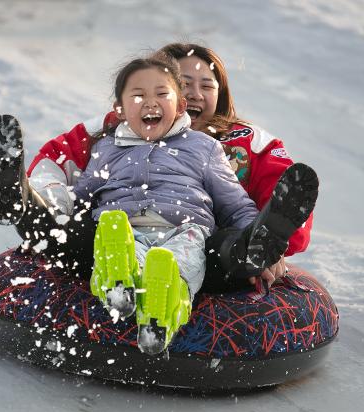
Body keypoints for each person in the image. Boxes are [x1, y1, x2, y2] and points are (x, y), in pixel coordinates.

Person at [0, 43, 313, 292]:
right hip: (117, 232)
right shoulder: (112, 136)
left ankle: (252, 248)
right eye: (184, 83)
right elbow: (62, 168)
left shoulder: (238, 142)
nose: (195, 94)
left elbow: (254, 198)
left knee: (225, 246)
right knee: (64, 232)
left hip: (193, 238)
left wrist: (268, 242)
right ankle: (20, 201)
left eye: (207, 86)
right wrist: (53, 207)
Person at [65, 54, 316, 354]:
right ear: (118, 109)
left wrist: (255, 232)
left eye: (162, 94)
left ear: (179, 104)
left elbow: (235, 203)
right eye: (139, 95)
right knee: (115, 234)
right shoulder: (106, 147)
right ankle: (119, 283)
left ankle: (156, 315)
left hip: (184, 229)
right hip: (125, 223)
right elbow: (82, 194)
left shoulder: (205, 147)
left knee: (178, 266)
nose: (150, 103)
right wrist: (63, 220)